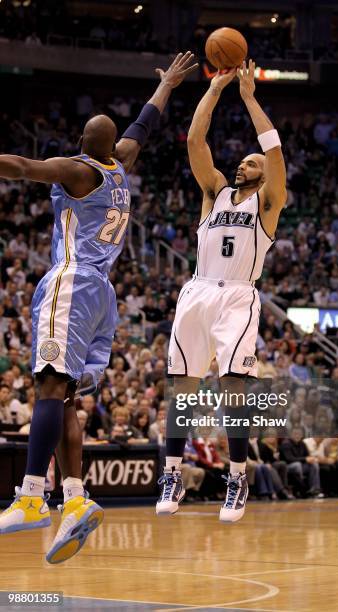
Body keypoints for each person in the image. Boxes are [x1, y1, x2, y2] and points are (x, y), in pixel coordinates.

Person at [0, 52, 198, 563]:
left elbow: (20, 167)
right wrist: (168, 86)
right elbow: (143, 126)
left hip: (71, 281)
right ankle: (74, 498)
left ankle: (28, 495)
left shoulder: (76, 169)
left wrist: (166, 89)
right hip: (103, 299)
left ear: (84, 145)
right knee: (64, 398)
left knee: (46, 384)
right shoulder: (120, 163)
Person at [157, 60, 287, 522]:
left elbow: (273, 153)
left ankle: (237, 476)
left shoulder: (268, 203)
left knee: (233, 385)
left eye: (249, 161)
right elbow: (195, 141)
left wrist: (250, 97)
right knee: (181, 388)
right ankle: (171, 472)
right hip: (196, 291)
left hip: (237, 295)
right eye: (241, 159)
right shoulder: (213, 192)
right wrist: (214, 91)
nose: (242, 163)